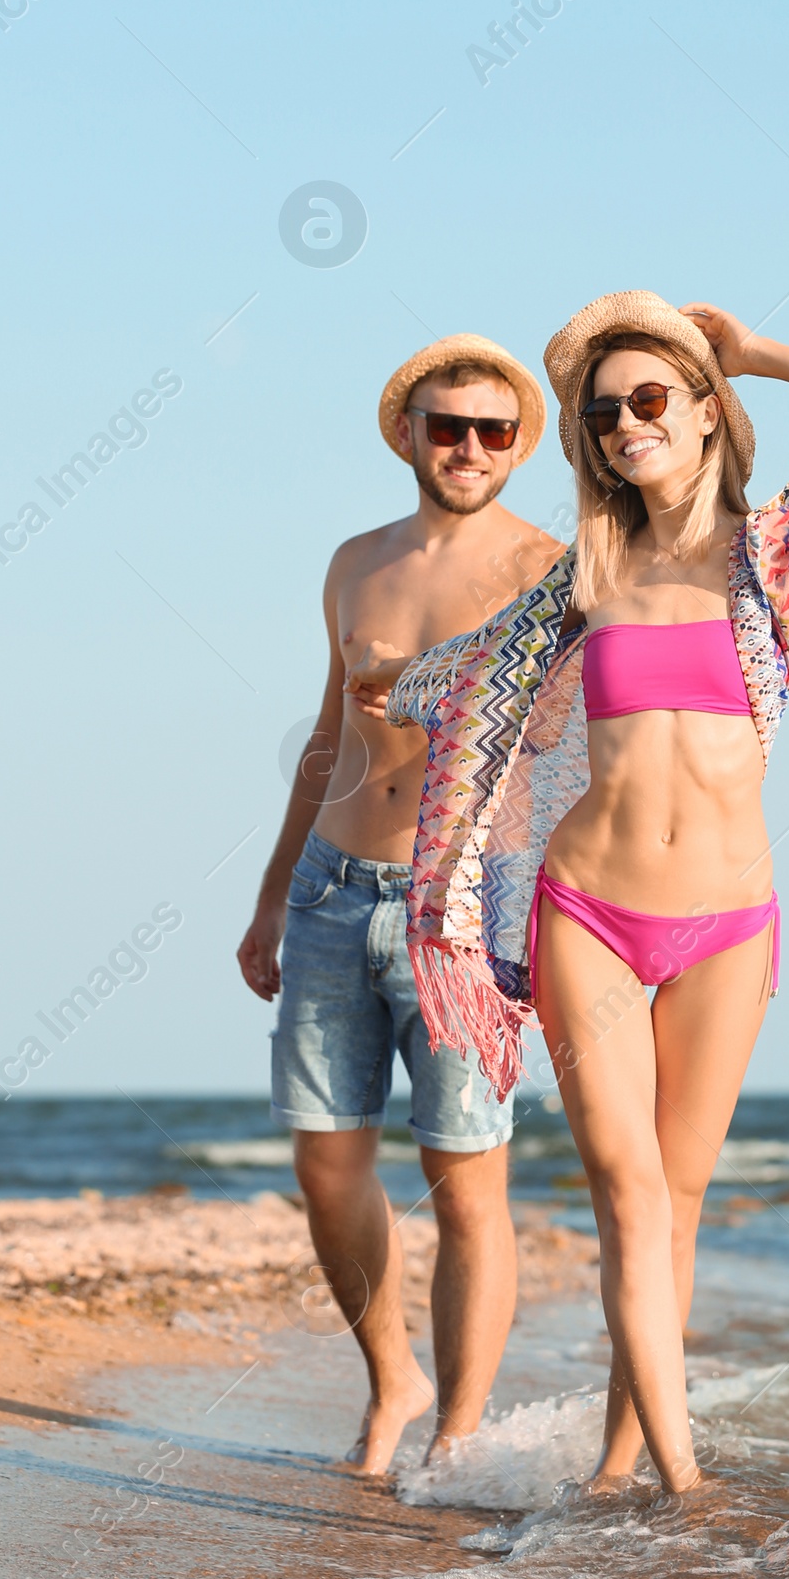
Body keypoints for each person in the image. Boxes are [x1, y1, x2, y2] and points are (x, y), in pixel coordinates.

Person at [350, 291, 789, 1495]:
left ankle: (614, 1467)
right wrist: (405, 682)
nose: (625, 426)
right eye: (604, 413)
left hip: (728, 920)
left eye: (650, 400)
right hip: (590, 909)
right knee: (626, 1194)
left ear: (710, 415)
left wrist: (757, 351)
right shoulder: (587, 570)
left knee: (680, 1205)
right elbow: (478, 674)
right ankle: (685, 1483)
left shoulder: (780, 549)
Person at [237, 334, 561, 1473]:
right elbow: (327, 737)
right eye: (447, 426)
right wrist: (274, 893)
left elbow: (562, 751)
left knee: (464, 1176)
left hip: (459, 909)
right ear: (409, 434)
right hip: (333, 884)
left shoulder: (549, 568)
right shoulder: (353, 563)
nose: (468, 447)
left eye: (493, 430)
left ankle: (459, 1437)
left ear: (521, 446)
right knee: (325, 1162)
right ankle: (394, 1379)